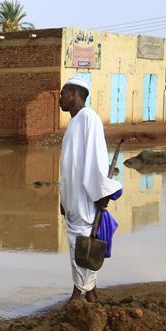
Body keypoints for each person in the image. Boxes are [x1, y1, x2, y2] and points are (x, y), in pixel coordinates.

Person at [58, 77, 123, 303]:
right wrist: (63, 199)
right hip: (73, 199)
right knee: (79, 243)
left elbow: (95, 161)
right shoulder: (74, 124)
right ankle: (91, 293)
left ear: (75, 93)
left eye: (63, 93)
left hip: (85, 198)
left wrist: (102, 192)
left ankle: (79, 294)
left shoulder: (89, 119)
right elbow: (70, 167)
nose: (60, 98)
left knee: (82, 246)